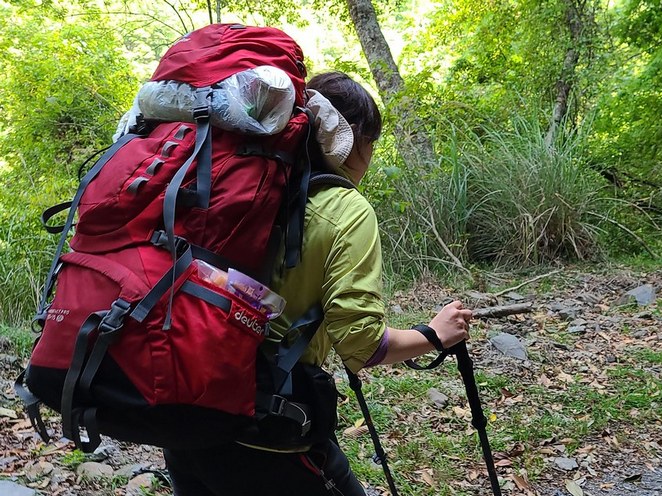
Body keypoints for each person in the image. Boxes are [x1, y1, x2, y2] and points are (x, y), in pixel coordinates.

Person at [162, 71, 473, 495]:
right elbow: (362, 345)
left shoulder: (221, 187)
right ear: (352, 140)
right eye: (371, 143)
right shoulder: (345, 208)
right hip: (266, 433)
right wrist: (433, 335)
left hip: (181, 418)